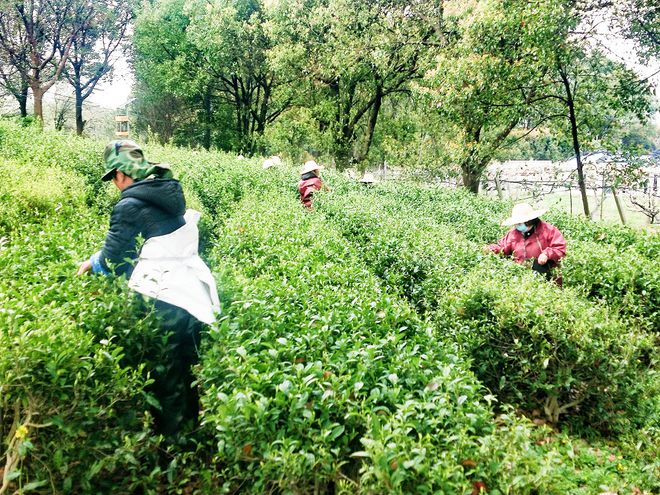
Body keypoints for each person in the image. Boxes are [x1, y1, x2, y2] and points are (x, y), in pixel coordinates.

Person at [77, 140, 220, 438]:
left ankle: (174, 444)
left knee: (164, 371)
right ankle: (192, 427)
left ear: (121, 174)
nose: (114, 184)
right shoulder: (165, 194)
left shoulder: (129, 204)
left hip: (165, 296)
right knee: (184, 364)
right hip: (190, 292)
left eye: (113, 177)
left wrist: (93, 263)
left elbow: (116, 256)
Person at [485, 203, 566, 284]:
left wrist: (547, 254)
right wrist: (491, 249)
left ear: (529, 221)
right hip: (522, 279)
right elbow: (502, 247)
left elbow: (560, 248)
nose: (517, 226)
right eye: (516, 224)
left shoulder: (548, 230)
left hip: (548, 278)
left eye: (519, 224)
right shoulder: (513, 234)